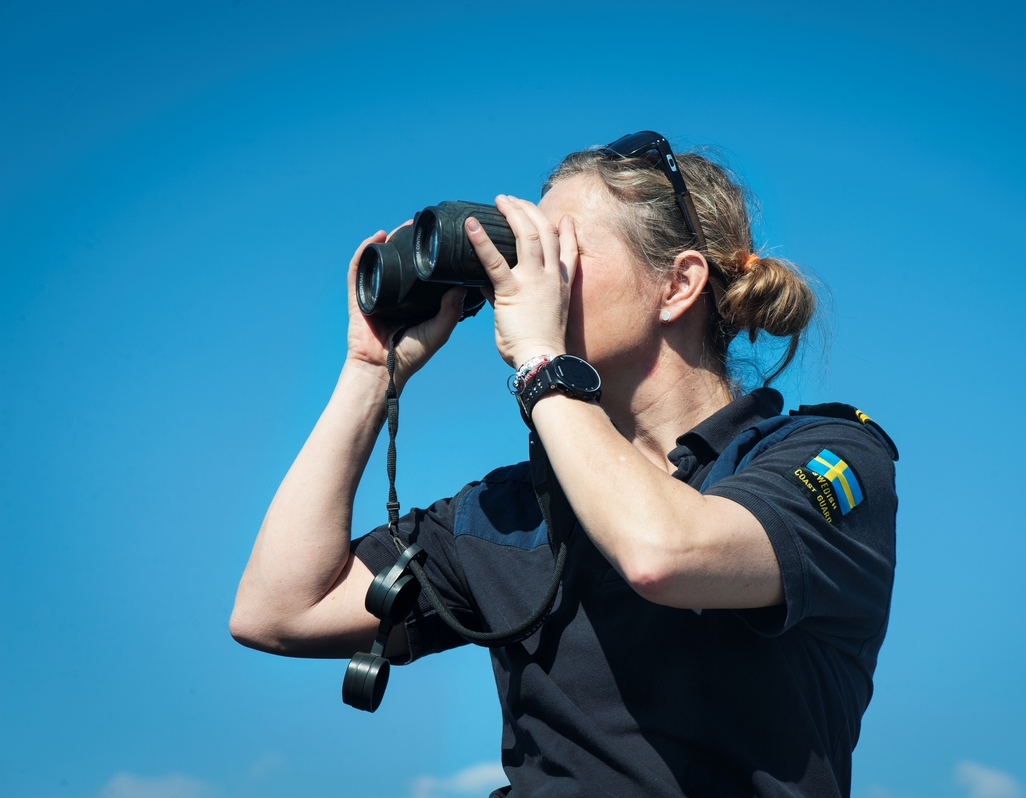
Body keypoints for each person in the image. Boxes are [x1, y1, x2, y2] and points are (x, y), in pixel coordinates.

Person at [230, 132, 898, 798]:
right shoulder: (508, 514)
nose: (528, 277)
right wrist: (370, 371)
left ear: (678, 285)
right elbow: (280, 610)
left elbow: (662, 553)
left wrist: (541, 362)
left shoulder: (827, 459)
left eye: (558, 251)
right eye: (528, 250)